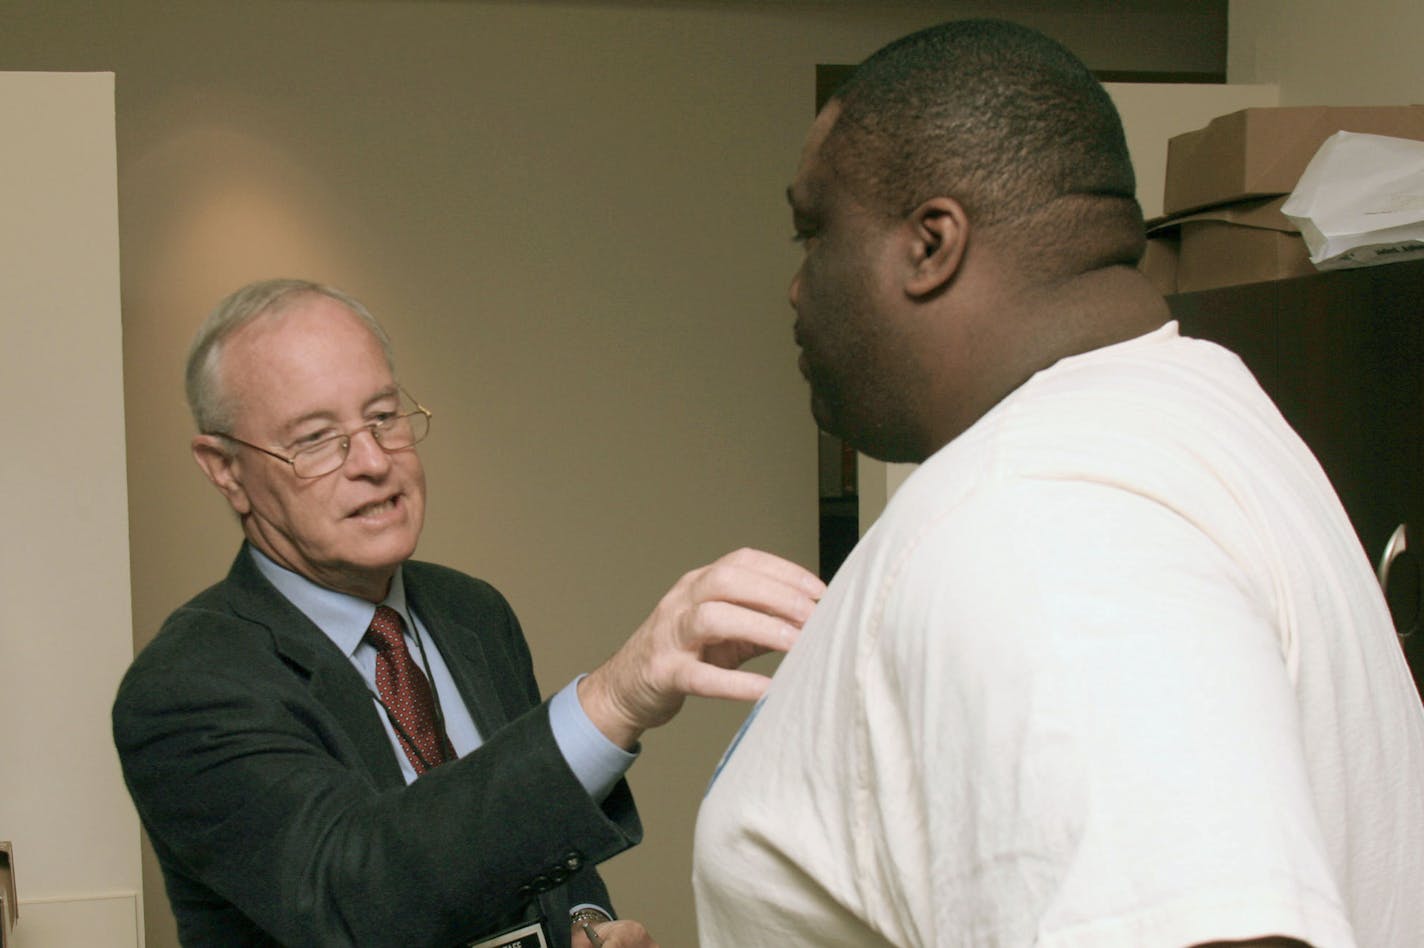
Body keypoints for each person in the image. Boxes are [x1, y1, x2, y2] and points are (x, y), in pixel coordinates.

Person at [693, 18, 1424, 948]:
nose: (797, 286)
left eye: (813, 232)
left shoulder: (1039, 523)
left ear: (932, 244)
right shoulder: (1199, 414)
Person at [112, 277, 825, 948]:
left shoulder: (470, 614)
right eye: (316, 439)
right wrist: (613, 697)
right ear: (226, 468)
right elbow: (355, 895)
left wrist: (583, 920)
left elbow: (525, 830)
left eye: (384, 416)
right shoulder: (186, 688)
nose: (372, 461)